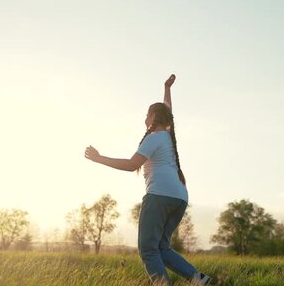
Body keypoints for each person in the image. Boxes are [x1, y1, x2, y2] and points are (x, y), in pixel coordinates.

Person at [84, 74, 211, 286]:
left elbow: (131, 165)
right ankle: (199, 280)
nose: (144, 120)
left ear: (153, 117)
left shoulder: (153, 138)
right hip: (179, 197)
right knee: (161, 247)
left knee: (148, 250)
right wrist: (166, 88)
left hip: (159, 196)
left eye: (147, 115)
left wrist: (99, 158)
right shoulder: (168, 135)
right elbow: (168, 110)